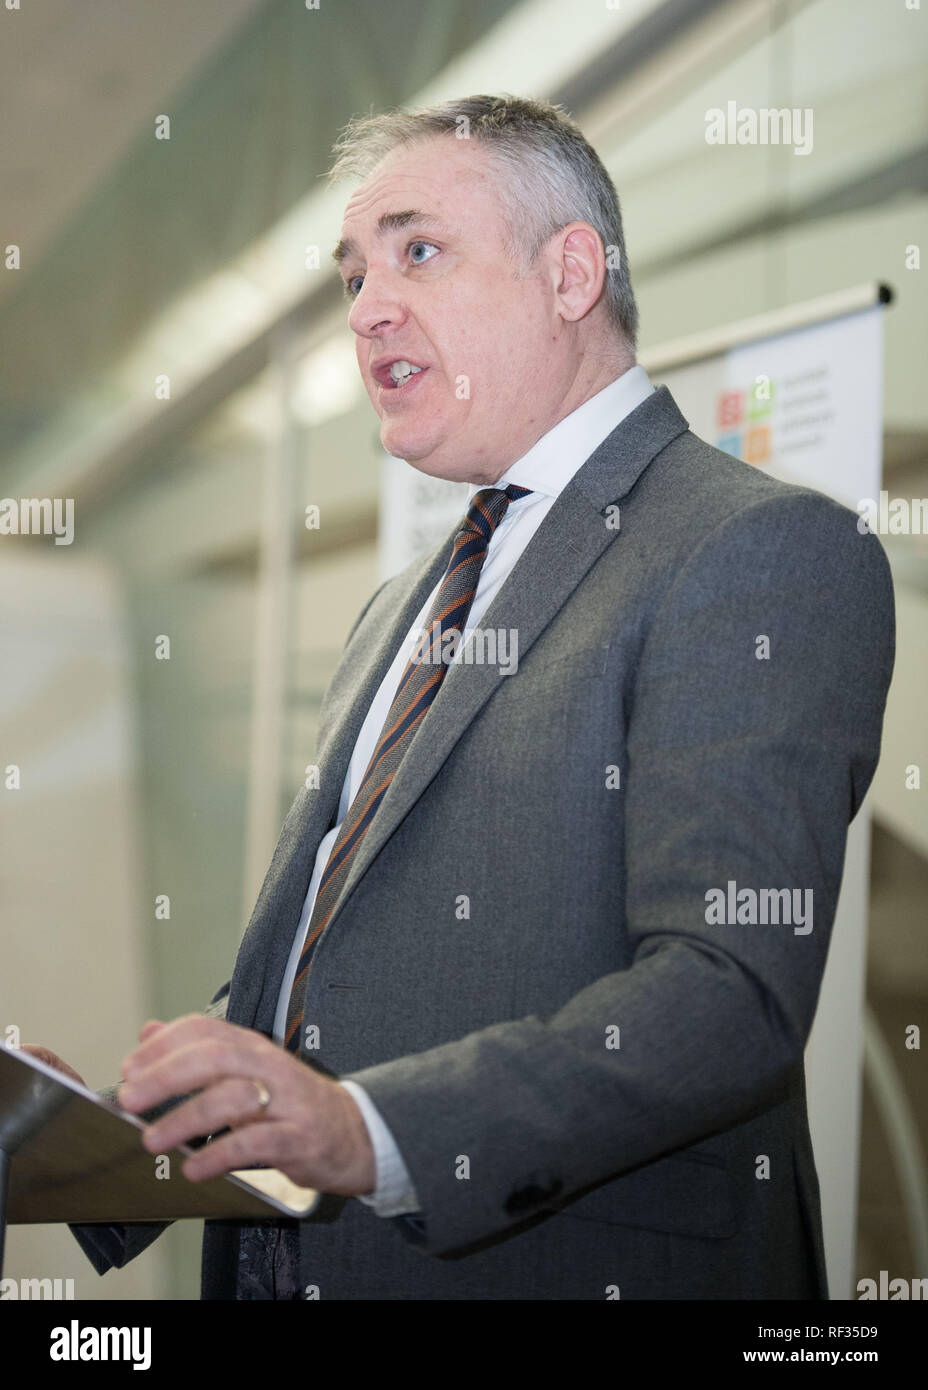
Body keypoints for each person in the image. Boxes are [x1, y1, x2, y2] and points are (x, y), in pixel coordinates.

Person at [28, 94, 894, 1299]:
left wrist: (366, 1132)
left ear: (571, 273)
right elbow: (328, 977)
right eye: (351, 277)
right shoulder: (402, 605)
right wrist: (108, 1139)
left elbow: (728, 992)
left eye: (417, 250)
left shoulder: (757, 548)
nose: (369, 305)